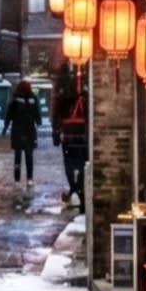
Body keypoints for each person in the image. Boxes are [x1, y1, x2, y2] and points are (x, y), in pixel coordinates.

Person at [54, 72, 89, 210]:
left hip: (68, 135)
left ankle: (74, 189)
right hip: (81, 134)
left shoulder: (63, 97)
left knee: (69, 163)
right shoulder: (85, 97)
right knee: (81, 163)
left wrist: (56, 133)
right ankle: (79, 190)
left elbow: (57, 115)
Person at [4, 79, 44, 191]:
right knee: (28, 156)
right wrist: (38, 121)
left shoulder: (16, 99)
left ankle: (17, 179)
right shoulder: (32, 98)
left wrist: (6, 126)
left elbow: (9, 113)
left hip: (18, 130)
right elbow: (37, 112)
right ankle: (29, 178)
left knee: (18, 157)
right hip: (29, 130)